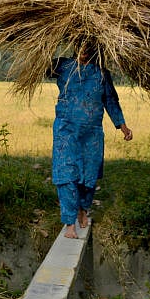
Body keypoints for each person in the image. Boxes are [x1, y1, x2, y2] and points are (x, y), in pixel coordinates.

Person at [49, 48, 132, 239]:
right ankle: (69, 223)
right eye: (80, 46)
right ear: (74, 47)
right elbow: (39, 64)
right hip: (66, 131)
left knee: (89, 175)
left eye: (87, 47)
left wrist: (123, 126)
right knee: (66, 173)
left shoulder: (101, 73)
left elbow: (111, 100)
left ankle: (83, 209)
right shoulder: (62, 66)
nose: (83, 51)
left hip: (91, 133)